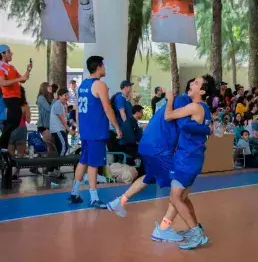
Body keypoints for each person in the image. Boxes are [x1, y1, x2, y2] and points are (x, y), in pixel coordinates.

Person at [106, 78, 212, 242]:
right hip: (160, 149)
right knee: (179, 193)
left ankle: (120, 201)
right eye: (193, 83)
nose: (192, 85)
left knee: (151, 177)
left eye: (196, 83)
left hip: (148, 145)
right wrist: (207, 128)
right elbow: (183, 124)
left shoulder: (182, 101)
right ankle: (164, 229)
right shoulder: (184, 102)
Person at [163, 74, 215, 250]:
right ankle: (195, 227)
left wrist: (170, 99)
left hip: (187, 158)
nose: (191, 83)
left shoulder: (194, 107)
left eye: (196, 83)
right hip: (194, 157)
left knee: (175, 197)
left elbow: (168, 116)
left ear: (202, 91)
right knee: (183, 197)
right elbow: (208, 130)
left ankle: (196, 233)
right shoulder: (205, 108)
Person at [68, 56, 122, 208]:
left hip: (86, 131)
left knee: (83, 161)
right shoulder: (100, 85)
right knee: (93, 164)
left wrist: (79, 127)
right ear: (98, 67)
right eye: (103, 66)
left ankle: (74, 192)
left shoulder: (83, 85)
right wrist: (117, 127)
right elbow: (107, 108)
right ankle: (93, 197)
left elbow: (78, 110)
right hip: (96, 131)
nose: (105, 68)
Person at [0, 44, 31, 150]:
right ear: (2, 54)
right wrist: (19, 79)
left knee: (15, 120)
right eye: (8, 52)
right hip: (9, 97)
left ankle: (3, 146)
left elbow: (23, 79)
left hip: (16, 97)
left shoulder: (11, 67)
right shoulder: (1, 67)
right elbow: (3, 83)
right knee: (13, 120)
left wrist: (28, 70)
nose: (11, 53)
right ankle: (2, 145)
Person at [8, 86, 31, 182]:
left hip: (10, 129)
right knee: (20, 156)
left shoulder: (9, 104)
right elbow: (28, 120)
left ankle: (8, 174)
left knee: (10, 154)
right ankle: (15, 175)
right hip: (21, 129)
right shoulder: (25, 105)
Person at [36, 82, 54, 152]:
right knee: (49, 145)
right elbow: (49, 109)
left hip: (49, 124)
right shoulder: (41, 98)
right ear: (44, 88)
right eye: (48, 86)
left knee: (51, 145)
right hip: (43, 125)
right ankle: (47, 161)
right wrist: (54, 100)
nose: (50, 87)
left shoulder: (48, 97)